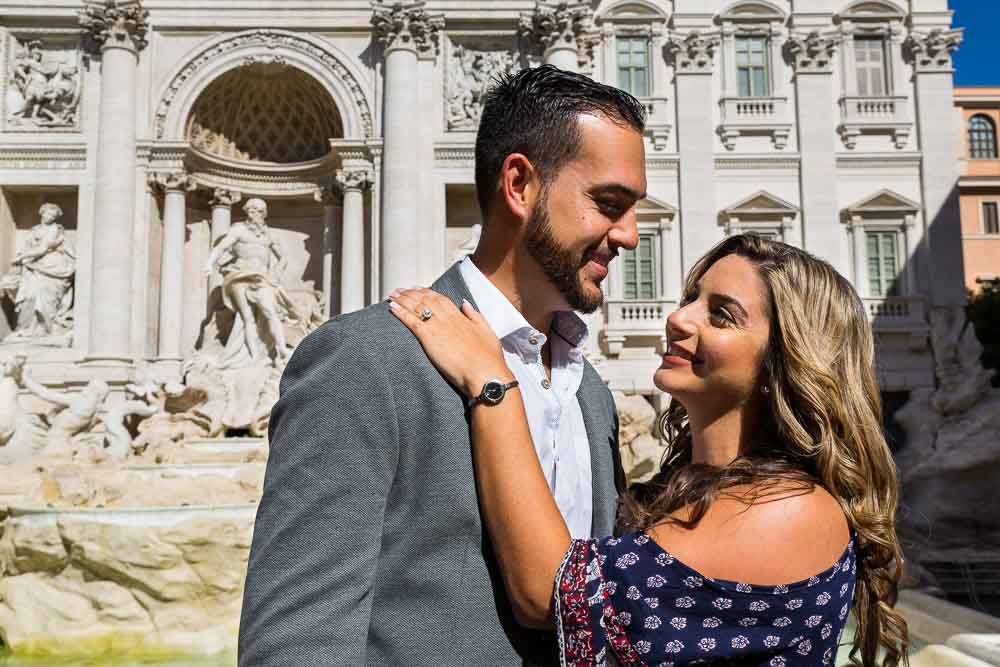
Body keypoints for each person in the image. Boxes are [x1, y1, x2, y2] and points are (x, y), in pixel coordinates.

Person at [239, 65, 648, 665]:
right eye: (609, 204)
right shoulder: (366, 361)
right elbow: (298, 642)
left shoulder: (593, 395)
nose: (632, 235)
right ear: (519, 185)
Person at [389, 233, 908, 666]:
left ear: (785, 363)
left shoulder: (788, 508)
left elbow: (550, 591)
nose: (680, 319)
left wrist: (492, 381)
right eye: (692, 299)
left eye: (722, 315)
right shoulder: (691, 487)